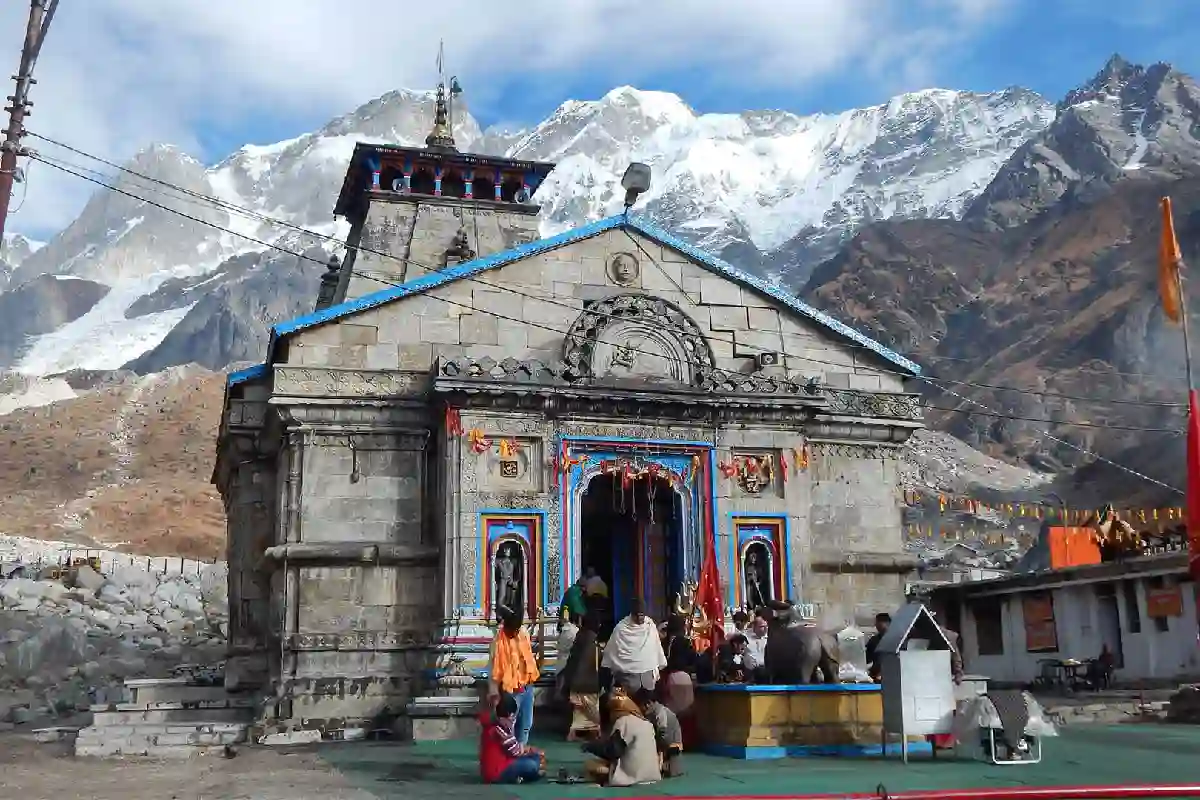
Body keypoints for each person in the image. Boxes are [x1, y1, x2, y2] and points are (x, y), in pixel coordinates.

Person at [582, 692, 662, 786]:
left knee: (591, 764)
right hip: (653, 775)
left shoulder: (623, 721)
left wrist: (591, 747)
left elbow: (613, 751)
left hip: (633, 776)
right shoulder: (648, 724)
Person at [487, 606, 540, 746]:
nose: (515, 632)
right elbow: (493, 668)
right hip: (510, 690)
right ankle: (510, 754)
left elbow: (528, 658)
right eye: (513, 630)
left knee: (526, 723)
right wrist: (494, 692)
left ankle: (520, 749)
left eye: (517, 629)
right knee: (509, 724)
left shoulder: (523, 634)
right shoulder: (498, 642)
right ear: (505, 627)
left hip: (526, 685)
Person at [478, 692, 546, 785]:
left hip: (500, 764)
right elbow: (516, 751)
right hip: (497, 772)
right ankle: (520, 777)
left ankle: (519, 776)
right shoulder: (501, 728)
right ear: (510, 714)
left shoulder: (495, 724)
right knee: (533, 764)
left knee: (535, 759)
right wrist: (532, 750)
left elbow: (512, 747)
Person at [603, 598, 667, 693]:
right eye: (636, 615)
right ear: (631, 614)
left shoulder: (650, 626)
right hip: (628, 681)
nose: (639, 618)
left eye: (642, 615)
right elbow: (611, 654)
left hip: (648, 681)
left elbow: (655, 648)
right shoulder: (621, 629)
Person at [558, 612, 602, 741]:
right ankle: (596, 732)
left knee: (578, 712)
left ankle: (573, 733)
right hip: (589, 684)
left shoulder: (580, 636)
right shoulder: (592, 640)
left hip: (573, 682)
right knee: (593, 710)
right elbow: (596, 661)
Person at [658, 614, 698, 745]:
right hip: (682, 676)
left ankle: (671, 740)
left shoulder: (664, 641)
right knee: (685, 711)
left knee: (671, 710)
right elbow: (693, 659)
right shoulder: (683, 641)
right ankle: (685, 741)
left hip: (668, 677)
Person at [635, 688, 684, 778]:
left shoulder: (661, 714)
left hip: (671, 750)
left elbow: (663, 736)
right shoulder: (653, 712)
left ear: (648, 704)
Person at [865, 612, 891, 682]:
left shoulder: (896, 639)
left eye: (877, 623)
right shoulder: (874, 640)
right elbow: (867, 659)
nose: (875, 625)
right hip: (876, 675)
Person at [743, 613, 769, 680]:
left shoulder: (770, 638)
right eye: (762, 626)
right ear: (754, 627)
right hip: (749, 672)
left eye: (766, 626)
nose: (765, 628)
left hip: (765, 672)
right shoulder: (745, 636)